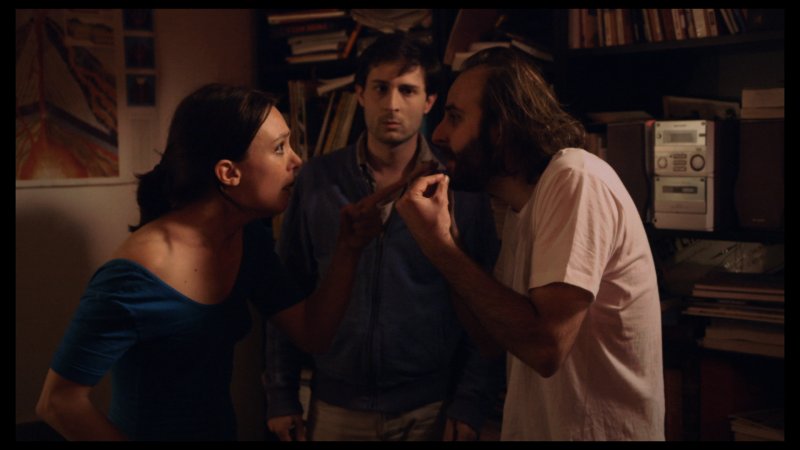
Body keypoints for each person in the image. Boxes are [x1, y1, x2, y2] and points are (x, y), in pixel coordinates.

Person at [35, 83, 388, 441]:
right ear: (228, 173)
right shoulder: (136, 275)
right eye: (280, 148)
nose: (297, 161)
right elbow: (59, 403)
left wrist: (349, 248)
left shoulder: (248, 241)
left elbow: (313, 334)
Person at [395, 47, 665, 440]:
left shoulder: (575, 178)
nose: (437, 134)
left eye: (455, 117)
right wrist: (446, 237)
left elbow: (545, 348)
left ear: (501, 128)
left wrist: (440, 247)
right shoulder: (521, 208)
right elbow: (491, 339)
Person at [264, 33, 503, 442]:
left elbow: (484, 295)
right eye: (380, 88)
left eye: (407, 90)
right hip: (335, 404)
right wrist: (280, 395)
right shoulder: (318, 179)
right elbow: (288, 289)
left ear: (429, 102)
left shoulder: (458, 185)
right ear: (360, 94)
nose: (392, 104)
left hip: (430, 406)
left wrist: (470, 400)